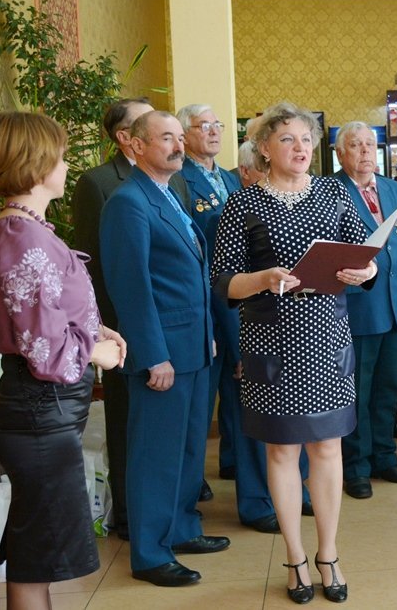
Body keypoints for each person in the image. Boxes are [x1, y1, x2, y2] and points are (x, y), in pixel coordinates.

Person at [211, 102, 376, 604]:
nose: (300, 147)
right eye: (287, 139)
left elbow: (364, 255)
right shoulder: (242, 203)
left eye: (306, 139)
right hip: (272, 341)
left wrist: (366, 271)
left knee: (327, 447)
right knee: (282, 450)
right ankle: (295, 556)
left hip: (327, 337)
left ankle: (329, 554)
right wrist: (263, 278)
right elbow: (223, 283)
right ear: (264, 148)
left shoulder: (334, 193)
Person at [0, 112, 127, 609]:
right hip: (40, 410)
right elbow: (43, 349)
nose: (67, 166)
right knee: (37, 557)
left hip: (42, 410)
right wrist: (96, 351)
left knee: (36, 553)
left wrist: (94, 330)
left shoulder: (23, 229)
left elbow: (44, 313)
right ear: (35, 162)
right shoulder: (20, 236)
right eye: (61, 157)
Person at [100, 110, 229, 586]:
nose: (178, 146)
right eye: (166, 138)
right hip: (164, 354)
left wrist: (207, 333)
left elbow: (189, 273)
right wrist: (153, 354)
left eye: (179, 137)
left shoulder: (168, 192)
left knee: (189, 448)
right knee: (156, 453)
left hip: (194, 346)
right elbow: (131, 287)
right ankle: (151, 554)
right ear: (135, 145)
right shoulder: (128, 202)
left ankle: (181, 528)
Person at [71, 96, 189, 541]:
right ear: (130, 138)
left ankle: (174, 521)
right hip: (126, 331)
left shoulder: (172, 181)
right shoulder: (102, 185)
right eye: (156, 129)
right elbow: (105, 271)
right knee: (132, 430)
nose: (175, 143)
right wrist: (126, 340)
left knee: (171, 438)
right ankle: (130, 518)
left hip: (175, 332)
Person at [178, 103, 281, 531]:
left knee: (249, 413)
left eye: (218, 124)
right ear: (184, 134)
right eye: (204, 125)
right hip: (203, 316)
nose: (214, 131)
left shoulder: (229, 179)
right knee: (197, 420)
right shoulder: (180, 181)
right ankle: (185, 511)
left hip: (239, 313)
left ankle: (261, 498)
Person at [334, 121, 397, 499]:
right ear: (340, 153)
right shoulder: (330, 191)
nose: (365, 152)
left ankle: (385, 457)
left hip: (396, 304)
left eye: (369, 145)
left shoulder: (394, 188)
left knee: (389, 387)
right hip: (358, 307)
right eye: (355, 145)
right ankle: (356, 466)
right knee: (358, 390)